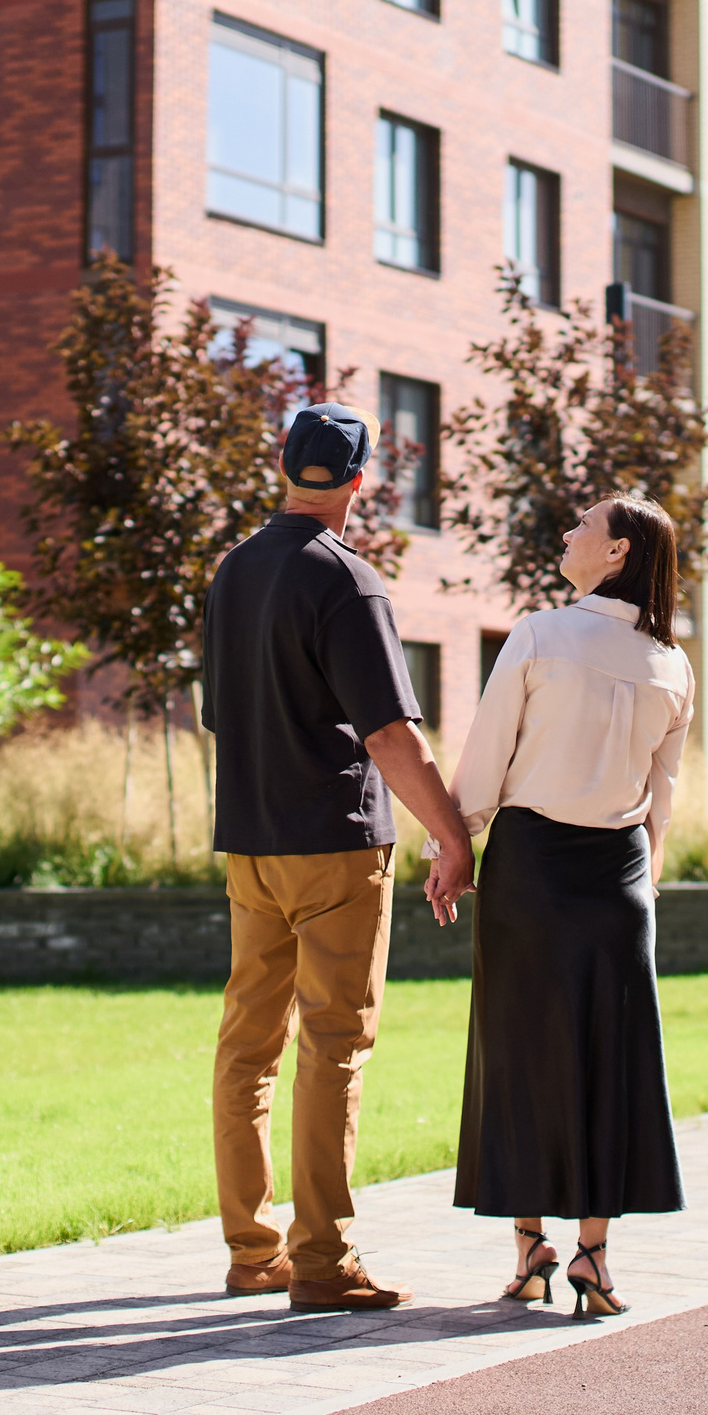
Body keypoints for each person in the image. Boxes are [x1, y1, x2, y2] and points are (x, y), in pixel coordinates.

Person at [199, 403, 476, 1312]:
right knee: (333, 1045)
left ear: (282, 465)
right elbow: (391, 734)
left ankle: (252, 1249)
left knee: (248, 1044)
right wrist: (451, 832)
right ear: (360, 482)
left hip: (250, 845)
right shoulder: (346, 579)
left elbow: (220, 716)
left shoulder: (233, 571)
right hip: (335, 847)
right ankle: (323, 1259)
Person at [445, 494, 694, 1319]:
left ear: (617, 552)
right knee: (610, 1062)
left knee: (518, 1054)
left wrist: (452, 843)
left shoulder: (540, 634)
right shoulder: (673, 664)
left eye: (582, 525)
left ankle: (531, 1247)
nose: (567, 534)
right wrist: (643, 885)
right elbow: (663, 796)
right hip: (621, 877)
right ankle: (594, 1253)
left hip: (533, 868)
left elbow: (486, 757)